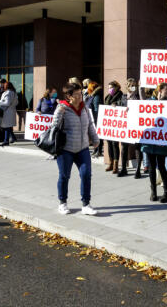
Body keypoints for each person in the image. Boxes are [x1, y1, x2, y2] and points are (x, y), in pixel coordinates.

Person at [53, 82, 100, 215]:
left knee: (86, 175)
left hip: (83, 148)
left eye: (81, 94)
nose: (80, 97)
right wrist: (59, 114)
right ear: (69, 96)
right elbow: (54, 127)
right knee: (64, 176)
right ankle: (62, 203)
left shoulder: (84, 108)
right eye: (77, 95)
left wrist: (95, 139)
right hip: (66, 150)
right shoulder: (62, 108)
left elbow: (90, 124)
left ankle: (86, 204)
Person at [141, 83, 167, 203]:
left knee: (161, 167)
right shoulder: (150, 101)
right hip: (150, 141)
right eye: (166, 89)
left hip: (161, 140)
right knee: (151, 167)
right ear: (159, 90)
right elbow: (141, 111)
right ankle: (153, 192)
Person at [103, 81, 125, 173]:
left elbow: (124, 106)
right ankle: (111, 163)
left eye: (111, 87)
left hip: (117, 125)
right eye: (109, 87)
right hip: (109, 125)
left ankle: (116, 165)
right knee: (109, 144)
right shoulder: (107, 97)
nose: (110, 89)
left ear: (117, 87)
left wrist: (116, 105)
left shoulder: (122, 96)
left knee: (115, 144)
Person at [0, 81, 18, 146]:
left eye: (4, 85)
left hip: (7, 112)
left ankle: (6, 141)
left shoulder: (8, 93)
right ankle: (13, 138)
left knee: (6, 127)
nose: (3, 86)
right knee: (8, 126)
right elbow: (17, 102)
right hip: (11, 111)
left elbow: (7, 103)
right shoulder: (14, 93)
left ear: (6, 86)